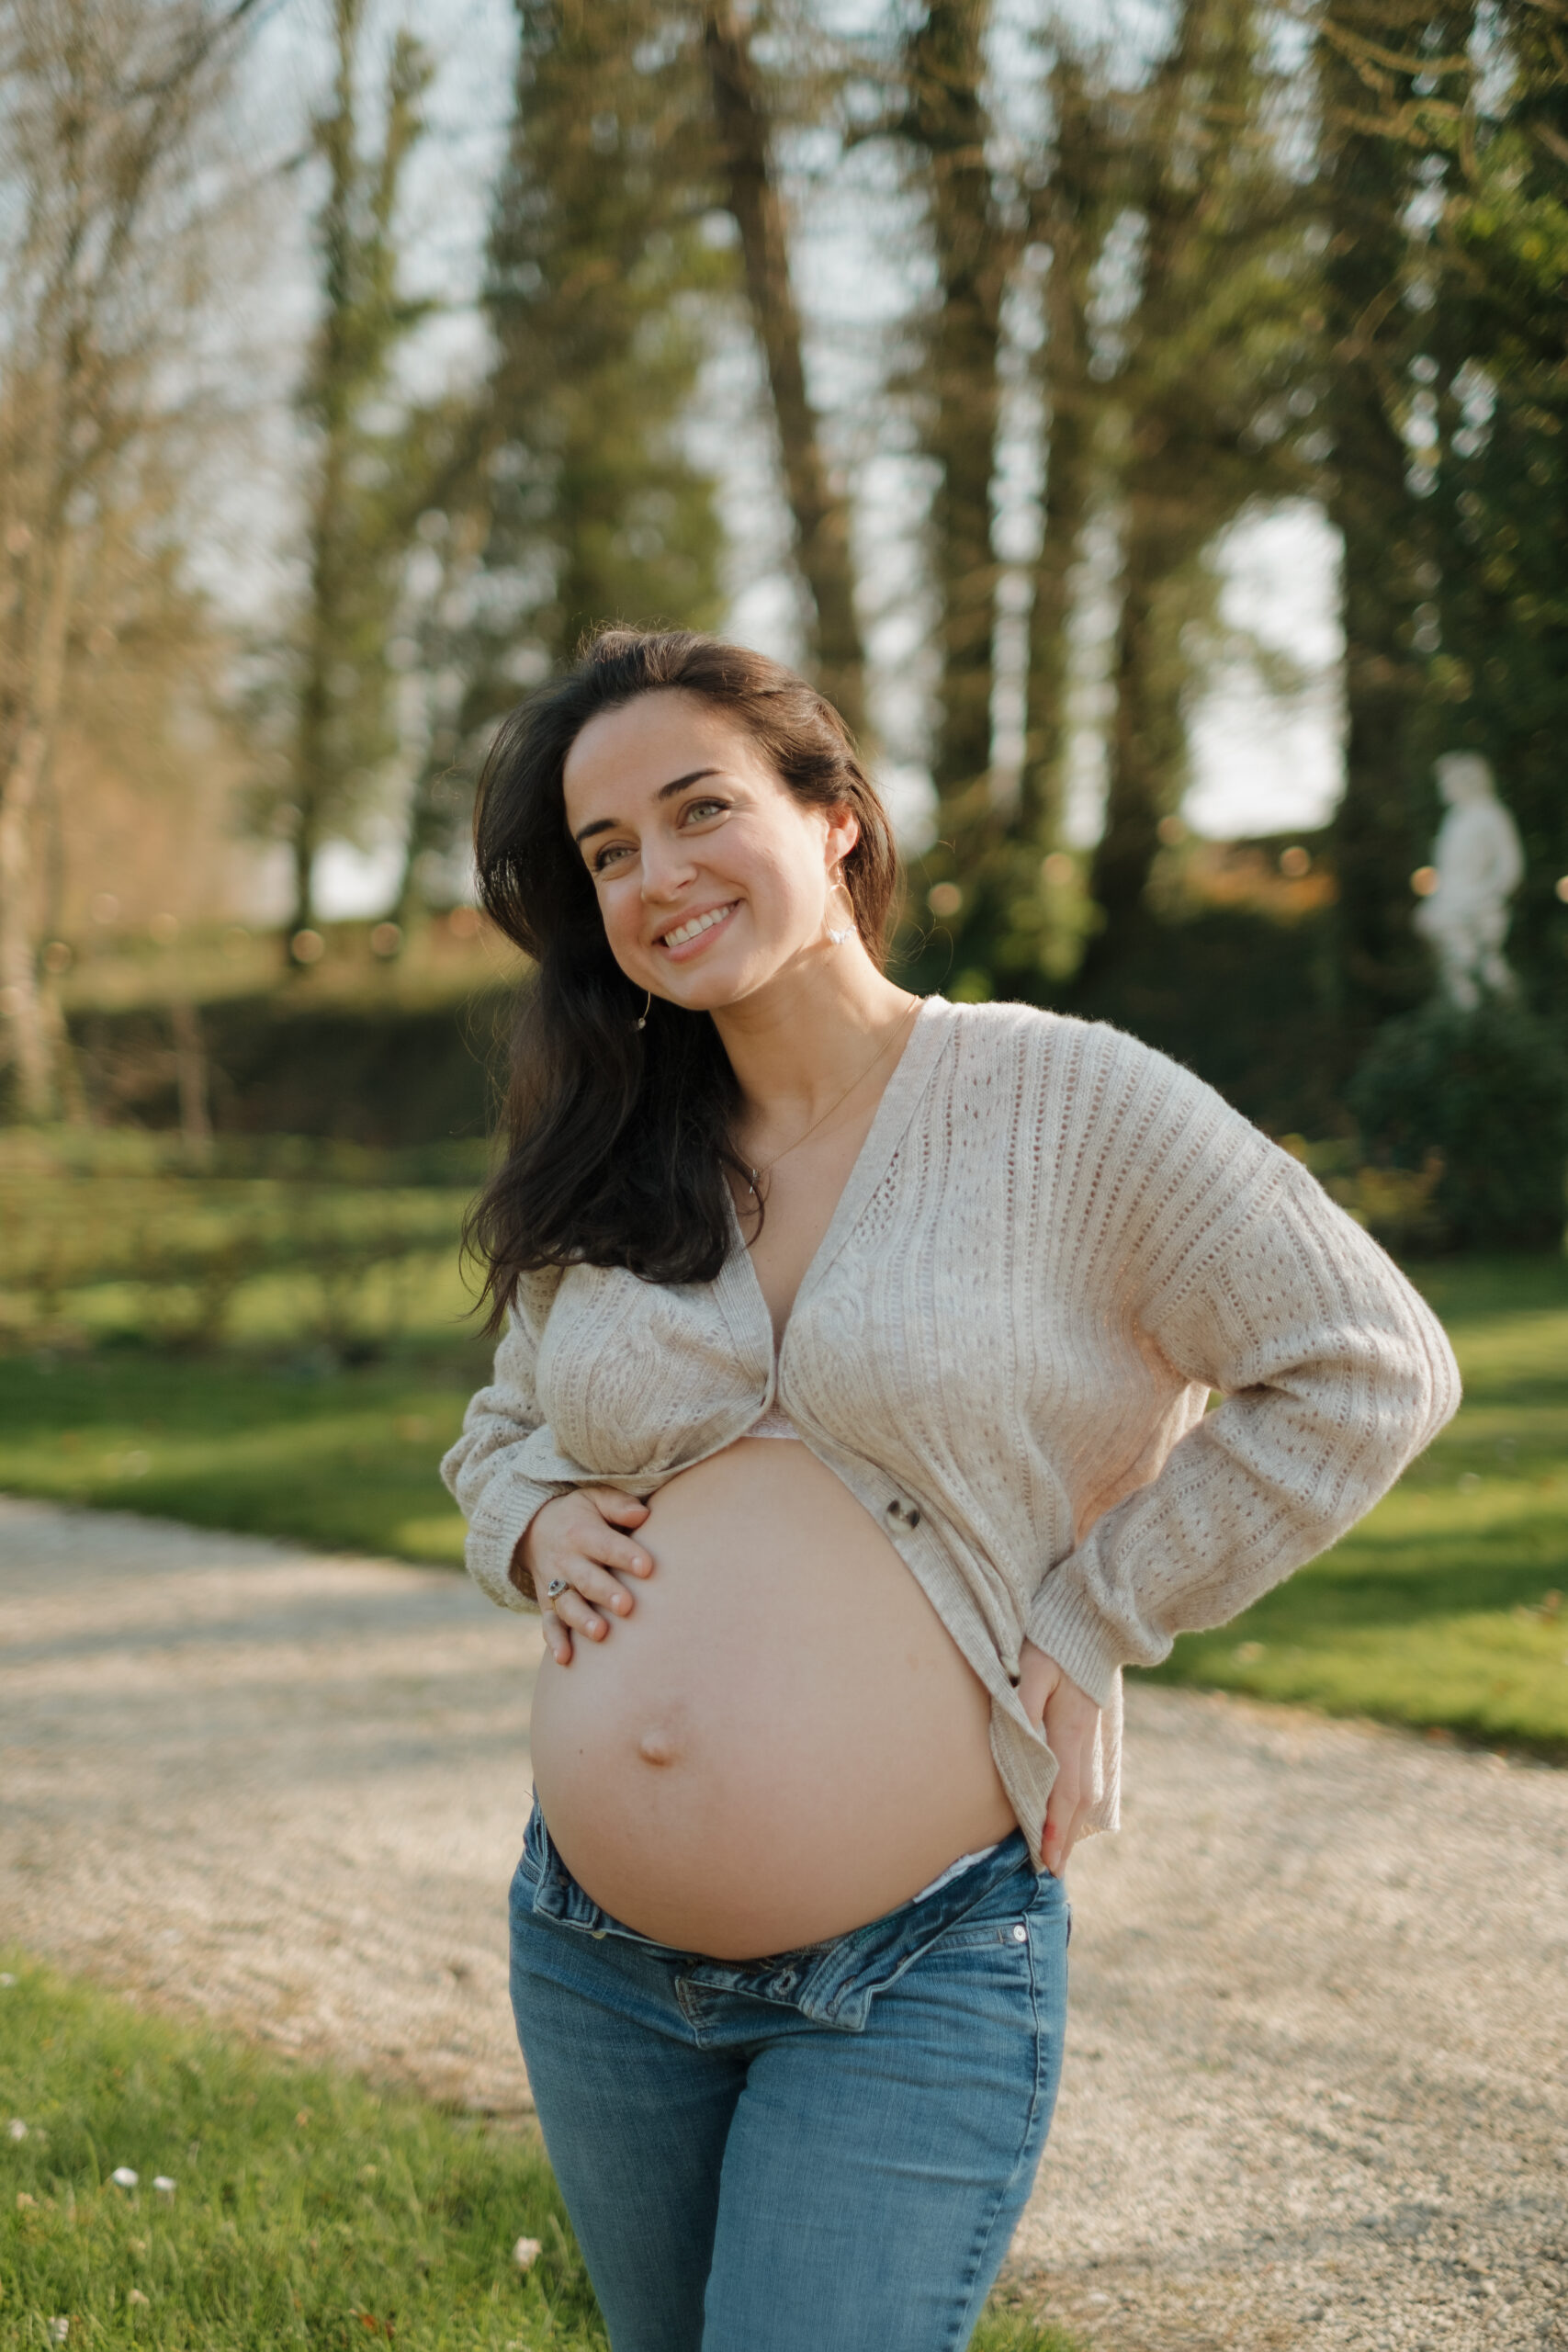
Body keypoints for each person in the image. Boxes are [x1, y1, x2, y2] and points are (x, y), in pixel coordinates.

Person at [442, 628, 1461, 2352]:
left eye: (700, 810)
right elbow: (503, 1426)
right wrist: (527, 1522)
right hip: (589, 1951)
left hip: (913, 1966)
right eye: (607, 853)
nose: (657, 877)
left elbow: (1369, 1363)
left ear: (833, 814)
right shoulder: (617, 1144)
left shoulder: (1062, 1100)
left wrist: (1097, 1611)